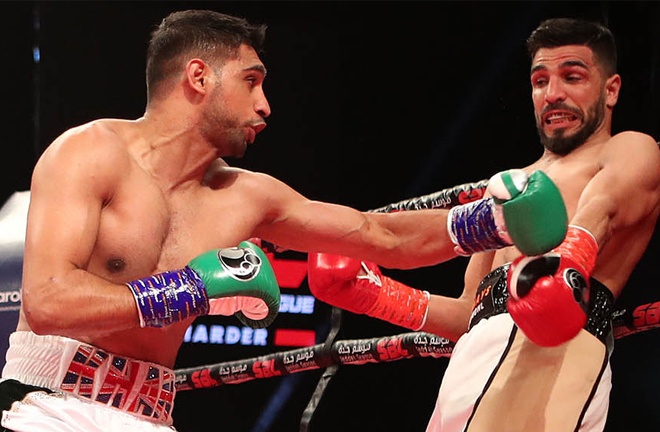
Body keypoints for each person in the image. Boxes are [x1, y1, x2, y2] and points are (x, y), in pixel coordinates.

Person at [0, 9, 568, 432]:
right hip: (46, 403)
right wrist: (191, 287)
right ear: (199, 77)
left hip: (150, 415)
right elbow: (49, 303)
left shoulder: (250, 197)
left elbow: (380, 235)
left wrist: (490, 221)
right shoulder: (90, 152)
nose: (266, 105)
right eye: (251, 80)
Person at [308, 17, 660, 432]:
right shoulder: (511, 187)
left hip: (550, 353)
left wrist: (568, 261)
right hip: (473, 365)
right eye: (540, 81)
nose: (554, 94)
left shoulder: (628, 148)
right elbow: (467, 312)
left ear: (611, 89)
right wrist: (376, 296)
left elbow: (607, 206)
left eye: (572, 77)